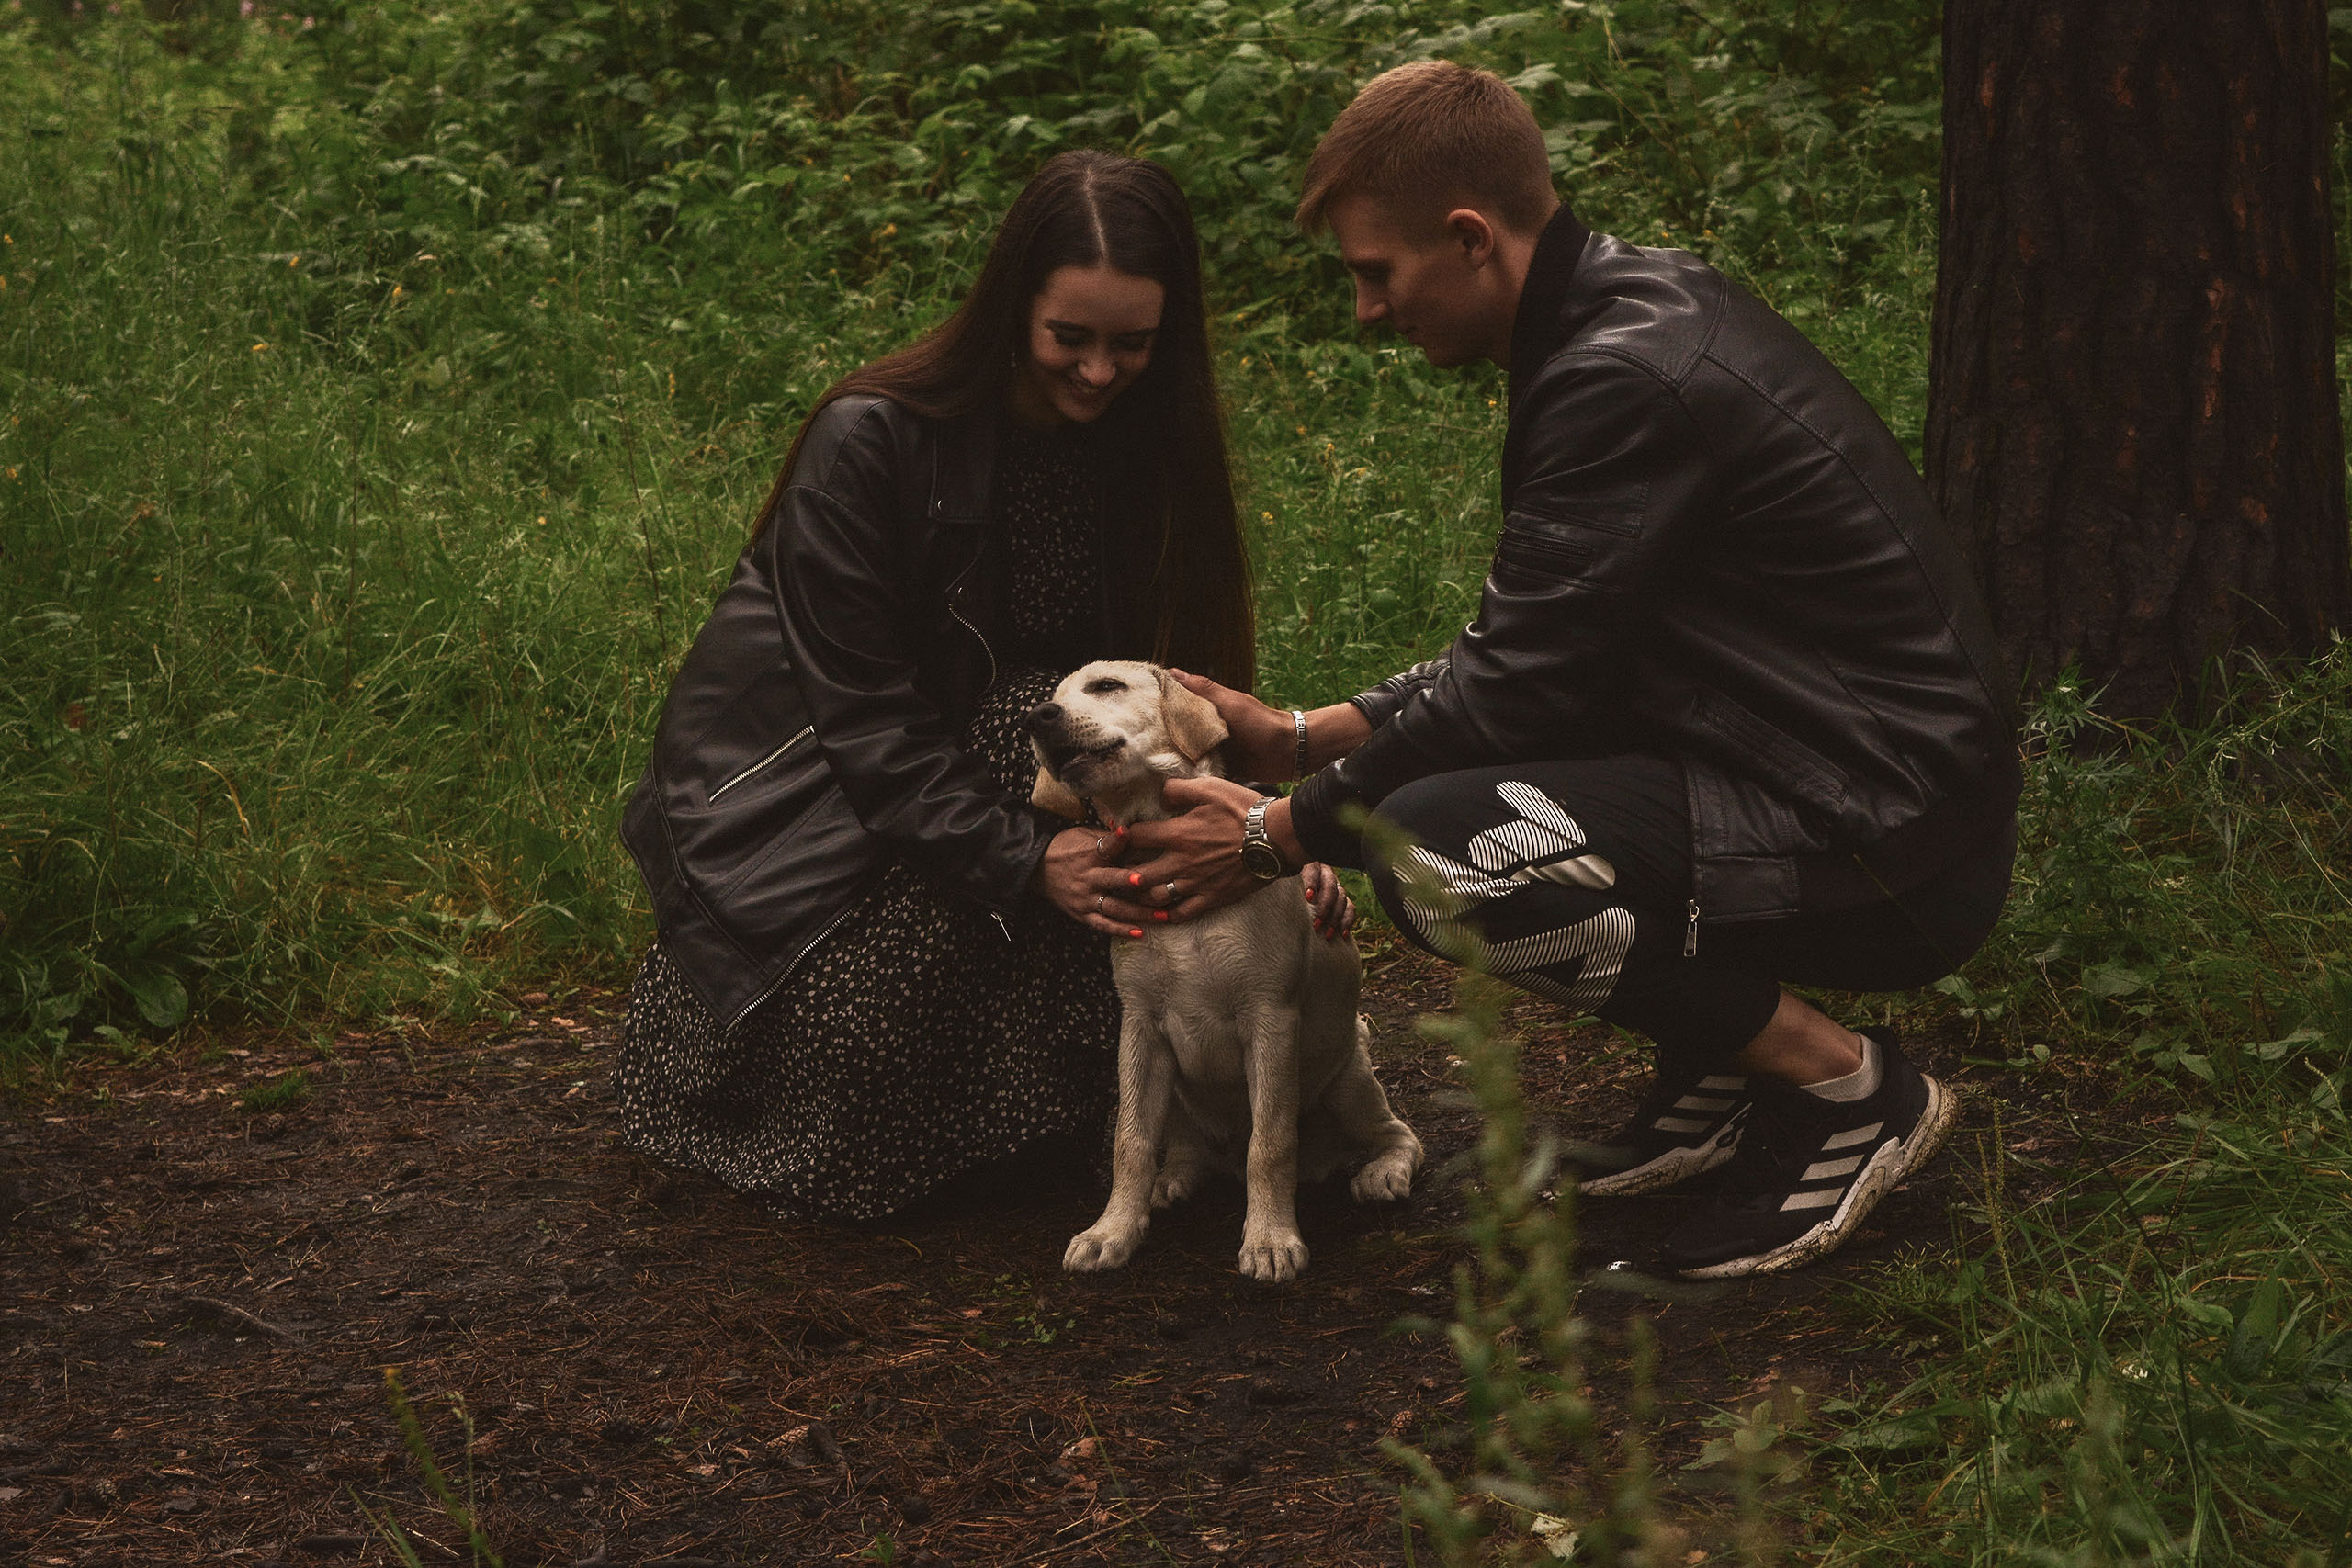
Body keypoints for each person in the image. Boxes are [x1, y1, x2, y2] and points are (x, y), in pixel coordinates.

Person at [1110, 62, 2020, 1280]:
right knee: (1458, 791)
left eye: (1378, 272)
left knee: (1433, 849)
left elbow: (1513, 687)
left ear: (1470, 237)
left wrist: (1276, 831)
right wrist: (1308, 731)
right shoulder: (1623, 313)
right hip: (1851, 774)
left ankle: (1847, 1090)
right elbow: (1553, 644)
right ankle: (1727, 1070)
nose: (1370, 310)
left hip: (1893, 837)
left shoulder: (1615, 377)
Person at [615, 150, 1352, 1224]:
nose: (1101, 372)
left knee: (1103, 809)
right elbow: (864, 723)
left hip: (1080, 795)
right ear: (1012, 309)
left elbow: (1182, 702)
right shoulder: (869, 440)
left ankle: (1095, 1113)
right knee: (865, 1061)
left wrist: (1268, 843)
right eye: (1071, 338)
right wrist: (1025, 858)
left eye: (1133, 345)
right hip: (839, 818)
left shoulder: (1150, 448)